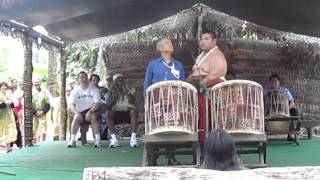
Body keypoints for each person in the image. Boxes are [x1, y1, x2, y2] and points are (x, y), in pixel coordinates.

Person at [143, 38, 185, 164]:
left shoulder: (179, 65)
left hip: (174, 102)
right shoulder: (153, 65)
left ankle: (171, 157)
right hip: (157, 102)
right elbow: (147, 84)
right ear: (160, 49)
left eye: (171, 43)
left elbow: (183, 84)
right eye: (167, 43)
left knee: (173, 127)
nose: (171, 45)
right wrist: (147, 102)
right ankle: (153, 156)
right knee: (156, 126)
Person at [186, 30, 227, 146]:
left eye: (206, 39)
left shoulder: (216, 55)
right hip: (197, 91)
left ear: (214, 41)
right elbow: (194, 73)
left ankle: (206, 145)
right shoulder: (202, 56)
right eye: (201, 39)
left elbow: (215, 75)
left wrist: (199, 86)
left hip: (208, 92)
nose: (202, 41)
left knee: (205, 117)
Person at [67, 71, 102, 148]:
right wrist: (76, 112)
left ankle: (97, 140)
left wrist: (90, 111)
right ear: (78, 79)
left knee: (92, 117)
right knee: (76, 118)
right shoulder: (75, 91)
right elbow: (71, 105)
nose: (83, 79)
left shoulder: (94, 89)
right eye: (81, 77)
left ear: (87, 78)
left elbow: (97, 103)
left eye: (85, 77)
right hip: (80, 111)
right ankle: (72, 140)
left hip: (92, 110)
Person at [106, 73, 138, 148]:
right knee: (108, 113)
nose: (119, 82)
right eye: (117, 80)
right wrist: (112, 92)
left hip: (128, 112)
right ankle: (114, 139)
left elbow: (132, 101)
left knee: (134, 111)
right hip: (117, 113)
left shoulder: (130, 89)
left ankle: (133, 138)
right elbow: (109, 105)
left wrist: (126, 90)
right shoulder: (112, 90)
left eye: (121, 79)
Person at [264, 74, 298, 140]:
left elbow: (292, 102)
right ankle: (264, 135)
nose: (273, 83)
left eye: (275, 81)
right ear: (269, 82)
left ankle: (291, 134)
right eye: (272, 81)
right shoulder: (265, 91)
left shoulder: (285, 90)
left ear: (279, 82)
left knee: (294, 111)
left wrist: (287, 108)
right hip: (270, 110)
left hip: (284, 110)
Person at [0, 82, 17, 153]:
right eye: (3, 86)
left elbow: (15, 103)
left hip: (9, 115)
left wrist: (11, 102)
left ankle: (8, 147)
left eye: (5, 86)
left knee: (9, 130)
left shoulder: (10, 94)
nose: (4, 88)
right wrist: (4, 104)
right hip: (1, 115)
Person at [32, 79, 51, 143]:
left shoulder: (45, 91)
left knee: (43, 129)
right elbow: (27, 103)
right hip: (33, 114)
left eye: (37, 82)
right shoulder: (30, 91)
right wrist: (35, 112)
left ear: (40, 83)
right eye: (35, 82)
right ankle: (34, 142)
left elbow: (48, 103)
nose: (36, 83)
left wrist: (43, 111)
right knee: (34, 129)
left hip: (43, 114)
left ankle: (43, 142)